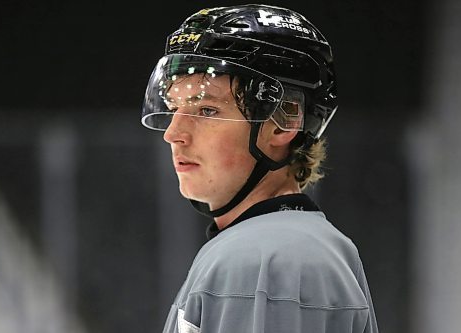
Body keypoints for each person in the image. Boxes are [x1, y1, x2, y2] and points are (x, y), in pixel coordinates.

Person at [141, 4, 378, 333]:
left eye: (206, 109)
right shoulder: (294, 247)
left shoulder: (262, 261)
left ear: (284, 121)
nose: (173, 134)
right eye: (174, 108)